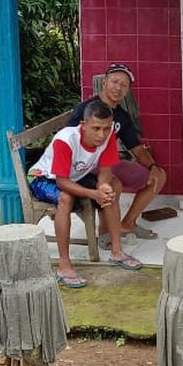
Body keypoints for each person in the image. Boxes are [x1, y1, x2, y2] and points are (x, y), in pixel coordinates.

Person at [28, 99, 142, 288]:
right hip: (43, 178)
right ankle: (64, 265)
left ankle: (117, 252)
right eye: (96, 128)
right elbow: (62, 182)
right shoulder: (66, 140)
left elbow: (105, 172)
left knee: (112, 187)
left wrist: (103, 187)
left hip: (75, 175)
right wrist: (92, 193)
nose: (102, 134)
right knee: (65, 198)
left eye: (106, 128)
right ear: (83, 125)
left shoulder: (109, 137)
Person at [68, 62, 167, 240]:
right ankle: (105, 232)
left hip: (107, 163)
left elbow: (136, 148)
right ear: (104, 82)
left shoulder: (122, 115)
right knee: (113, 184)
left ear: (128, 90)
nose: (118, 87)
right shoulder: (85, 110)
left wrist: (153, 166)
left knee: (159, 176)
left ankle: (128, 224)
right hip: (83, 166)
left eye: (124, 85)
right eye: (115, 81)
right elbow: (66, 142)